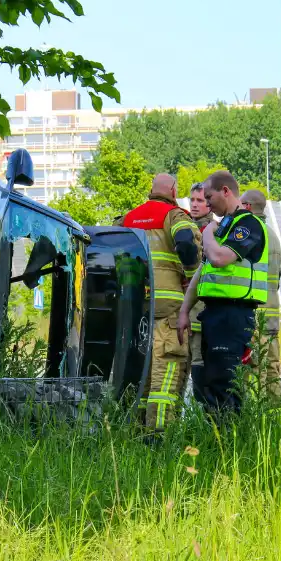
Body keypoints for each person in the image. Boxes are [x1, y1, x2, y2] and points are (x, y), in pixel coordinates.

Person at [177, 170, 269, 419]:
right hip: (214, 315)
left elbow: (218, 258)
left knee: (226, 387)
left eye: (209, 197)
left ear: (226, 191)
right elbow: (202, 272)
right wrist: (185, 311)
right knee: (212, 386)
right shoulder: (226, 227)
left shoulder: (248, 224)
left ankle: (231, 445)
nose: (206, 203)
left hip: (234, 315)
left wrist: (207, 233)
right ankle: (219, 444)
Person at [118, 173, 202, 431]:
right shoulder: (174, 216)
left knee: (140, 371)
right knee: (165, 371)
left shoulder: (128, 218)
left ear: (151, 190)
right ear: (174, 191)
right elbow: (186, 244)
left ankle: (136, 430)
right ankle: (159, 433)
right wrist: (190, 279)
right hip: (168, 306)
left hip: (135, 307)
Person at [240, 189, 281, 397]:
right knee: (272, 372)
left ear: (247, 207)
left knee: (254, 373)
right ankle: (276, 425)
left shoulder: (252, 234)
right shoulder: (273, 235)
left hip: (256, 317)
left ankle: (255, 424)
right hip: (272, 316)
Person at [187, 182, 214, 391]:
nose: (195, 205)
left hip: (201, 313)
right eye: (192, 200)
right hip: (182, 312)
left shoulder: (214, 231)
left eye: (200, 200)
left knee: (200, 363)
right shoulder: (183, 228)